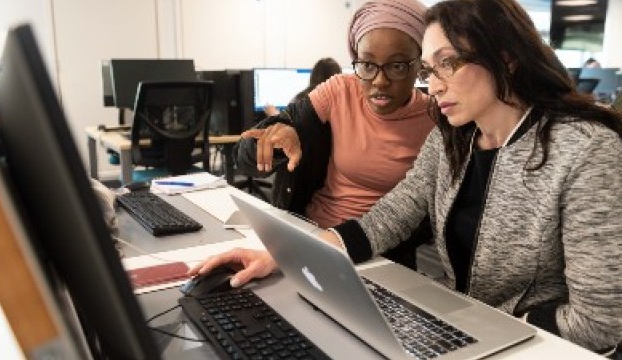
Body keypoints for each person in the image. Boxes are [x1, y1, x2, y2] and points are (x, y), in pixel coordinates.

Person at [193, 0, 622, 355]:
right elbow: (391, 216)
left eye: (446, 65)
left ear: (506, 60)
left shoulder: (585, 151)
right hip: (462, 326)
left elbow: (601, 322)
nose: (432, 87)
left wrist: (500, 329)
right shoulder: (453, 138)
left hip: (535, 344)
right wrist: (288, 254)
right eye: (428, 71)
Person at [233, 0, 436, 268]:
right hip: (310, 233)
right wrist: (281, 140)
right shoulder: (340, 90)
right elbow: (246, 157)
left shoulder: (436, 118)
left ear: (420, 64)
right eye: (366, 65)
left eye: (397, 66)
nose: (379, 81)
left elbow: (413, 215)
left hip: (382, 254)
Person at [263, 57, 342, 117]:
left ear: (313, 77)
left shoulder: (302, 102)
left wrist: (273, 115)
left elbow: (287, 128)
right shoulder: (344, 104)